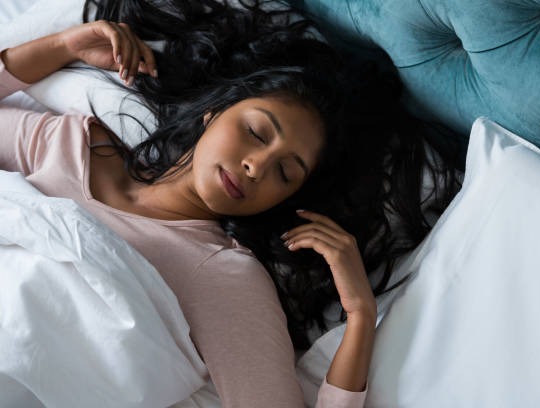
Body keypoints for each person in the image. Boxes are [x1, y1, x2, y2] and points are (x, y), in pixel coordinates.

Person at [0, 0, 460, 406]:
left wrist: (360, 314)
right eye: (256, 132)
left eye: (285, 172)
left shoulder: (224, 275)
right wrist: (63, 45)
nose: (256, 167)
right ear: (215, 110)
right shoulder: (75, 144)